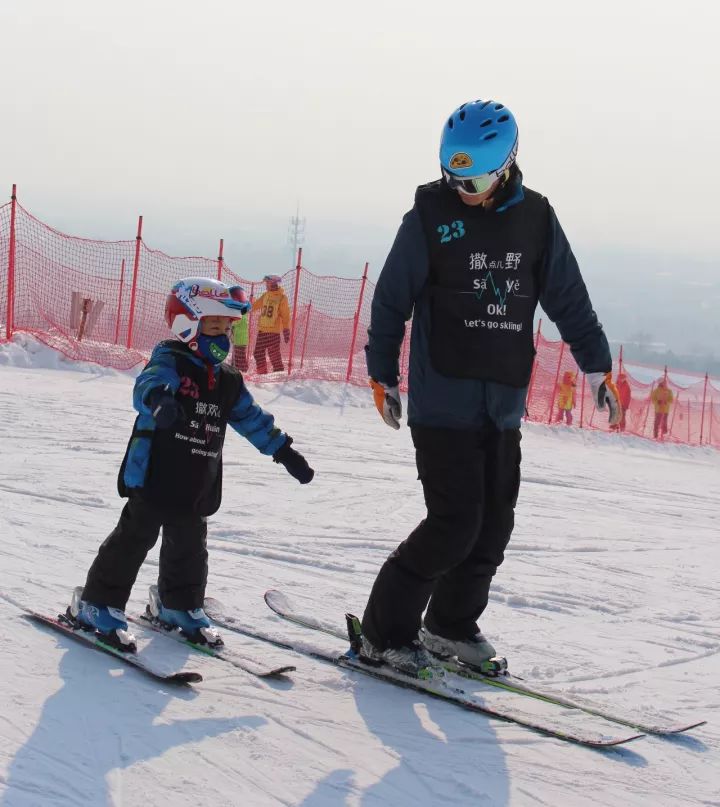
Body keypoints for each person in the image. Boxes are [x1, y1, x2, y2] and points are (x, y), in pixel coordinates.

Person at [362, 98, 621, 678]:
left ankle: (449, 626)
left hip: (501, 405)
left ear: (506, 165)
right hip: (442, 403)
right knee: (452, 524)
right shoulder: (429, 215)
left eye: (475, 178)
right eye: (454, 176)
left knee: (493, 525)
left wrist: (597, 368)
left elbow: (568, 300)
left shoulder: (536, 220)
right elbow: (391, 298)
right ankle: (383, 633)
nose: (463, 189)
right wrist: (382, 372)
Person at [68, 277, 314, 650]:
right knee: (134, 538)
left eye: (227, 326)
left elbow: (250, 418)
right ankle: (97, 603)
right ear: (188, 323)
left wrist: (283, 451)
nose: (222, 334)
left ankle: (178, 605)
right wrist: (161, 399)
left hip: (197, 477)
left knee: (190, 546)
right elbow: (149, 382)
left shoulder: (229, 379)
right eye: (213, 325)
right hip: (155, 474)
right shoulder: (170, 358)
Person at [252, 274, 291, 373]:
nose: (266, 285)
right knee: (257, 353)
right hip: (262, 330)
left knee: (274, 355)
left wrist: (286, 329)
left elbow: (285, 315)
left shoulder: (282, 298)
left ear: (273, 283)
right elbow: (255, 306)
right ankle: (262, 373)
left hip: (273, 332)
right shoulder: (266, 295)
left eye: (267, 283)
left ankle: (279, 373)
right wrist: (244, 307)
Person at [231, 298, 250, 372]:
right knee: (237, 356)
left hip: (239, 340)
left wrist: (230, 322)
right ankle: (236, 368)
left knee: (240, 357)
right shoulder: (243, 315)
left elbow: (235, 323)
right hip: (240, 340)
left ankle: (243, 370)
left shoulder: (241, 315)